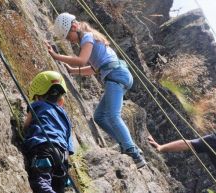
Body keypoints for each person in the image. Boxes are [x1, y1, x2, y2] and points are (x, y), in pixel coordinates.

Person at [47, 12, 146, 169]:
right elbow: (94, 68)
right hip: (117, 74)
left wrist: (56, 56)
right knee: (99, 116)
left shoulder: (87, 37)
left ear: (74, 27)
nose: (69, 40)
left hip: (115, 75)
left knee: (113, 116)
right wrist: (72, 71)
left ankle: (133, 152)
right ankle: (125, 143)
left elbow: (82, 60)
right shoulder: (90, 38)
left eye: (68, 36)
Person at [24, 70, 94, 193]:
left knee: (41, 183)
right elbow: (68, 142)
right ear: (60, 98)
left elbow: (26, 125)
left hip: (43, 147)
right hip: (62, 156)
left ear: (38, 94)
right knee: (59, 192)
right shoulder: (64, 116)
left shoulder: (37, 105)